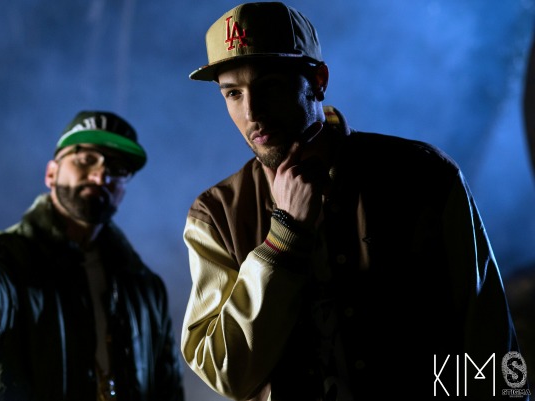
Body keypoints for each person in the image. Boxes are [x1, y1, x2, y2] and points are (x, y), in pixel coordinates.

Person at [180, 3, 530, 400]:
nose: (251, 112)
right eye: (233, 93)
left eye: (270, 86)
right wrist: (283, 240)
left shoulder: (423, 175)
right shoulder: (216, 213)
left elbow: (489, 337)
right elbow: (229, 376)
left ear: (318, 80)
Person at [0, 111, 184, 401]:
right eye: (86, 159)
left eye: (118, 169)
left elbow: (168, 389)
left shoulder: (145, 287)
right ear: (51, 173)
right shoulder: (7, 256)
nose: (101, 176)